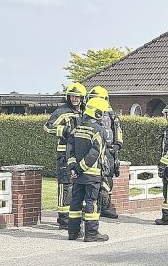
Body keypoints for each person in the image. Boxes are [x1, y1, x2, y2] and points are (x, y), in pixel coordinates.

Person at [66, 96, 109, 242]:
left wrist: (73, 167)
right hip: (92, 174)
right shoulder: (98, 130)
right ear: (97, 113)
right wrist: (80, 168)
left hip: (77, 176)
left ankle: (73, 232)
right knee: (92, 202)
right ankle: (91, 234)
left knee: (75, 202)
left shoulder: (77, 128)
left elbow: (69, 148)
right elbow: (95, 153)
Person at [43, 82, 85, 230]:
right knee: (65, 185)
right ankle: (63, 218)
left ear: (82, 98)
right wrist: (65, 131)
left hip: (80, 154)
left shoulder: (85, 112)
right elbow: (48, 127)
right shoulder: (61, 111)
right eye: (72, 96)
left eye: (77, 96)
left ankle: (76, 215)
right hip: (64, 154)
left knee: (80, 185)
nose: (75, 99)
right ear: (69, 97)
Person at [86, 86, 123, 220]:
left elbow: (118, 130)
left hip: (109, 152)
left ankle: (106, 207)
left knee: (108, 180)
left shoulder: (112, 115)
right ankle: (93, 208)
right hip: (94, 151)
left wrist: (117, 145)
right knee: (93, 180)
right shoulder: (89, 114)